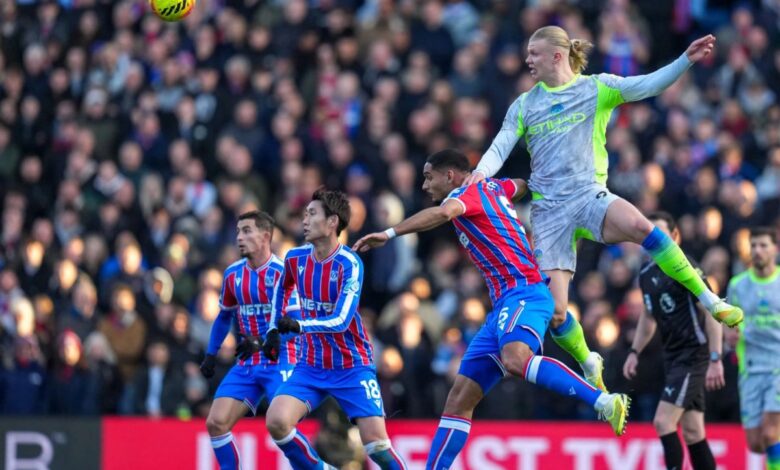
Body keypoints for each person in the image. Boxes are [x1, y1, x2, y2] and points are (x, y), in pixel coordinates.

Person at [464, 26, 743, 392]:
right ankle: (588, 360)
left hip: (588, 195)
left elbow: (648, 85)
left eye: (534, 53)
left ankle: (709, 300)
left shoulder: (596, 88)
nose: (527, 59)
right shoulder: (524, 104)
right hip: (549, 213)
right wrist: (480, 174)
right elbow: (500, 147)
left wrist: (684, 61)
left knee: (643, 227)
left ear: (556, 56)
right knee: (557, 312)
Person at [353, 149, 629, 470]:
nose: (425, 185)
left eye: (429, 177)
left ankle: (604, 402)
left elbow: (443, 215)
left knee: (516, 359)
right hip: (503, 306)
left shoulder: (463, 195)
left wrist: (389, 233)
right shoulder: (492, 188)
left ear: (450, 176)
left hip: (524, 291)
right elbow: (520, 185)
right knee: (459, 400)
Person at [261, 188, 407, 470]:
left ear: (332, 223)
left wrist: (300, 324)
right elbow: (282, 288)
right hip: (311, 365)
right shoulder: (295, 258)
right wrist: (271, 330)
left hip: (352, 365)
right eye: (304, 213)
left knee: (376, 446)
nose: (304, 219)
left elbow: (341, 319)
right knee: (277, 421)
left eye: (312, 213)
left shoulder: (349, 263)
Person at [199, 210, 300, 470]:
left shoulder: (283, 273)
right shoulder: (233, 274)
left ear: (265, 236)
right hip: (248, 361)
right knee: (216, 423)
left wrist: (262, 341)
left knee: (281, 424)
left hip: (282, 358)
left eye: (246, 231)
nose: (239, 238)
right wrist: (211, 353)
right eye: (237, 232)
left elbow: (297, 325)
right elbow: (223, 317)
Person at [623, 212, 724, 470]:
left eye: (661, 234)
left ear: (675, 236)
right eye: (649, 235)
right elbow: (648, 317)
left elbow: (712, 312)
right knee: (692, 431)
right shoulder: (645, 275)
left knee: (663, 422)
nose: (654, 241)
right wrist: (635, 351)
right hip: (673, 356)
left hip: (693, 355)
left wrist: (715, 358)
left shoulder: (685, 268)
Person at [727, 227, 780, 470]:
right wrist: (729, 336)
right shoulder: (737, 285)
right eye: (754, 245)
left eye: (763, 245)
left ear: (775, 249)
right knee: (756, 443)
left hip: (777, 367)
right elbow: (728, 323)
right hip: (749, 369)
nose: (757, 251)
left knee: (771, 434)